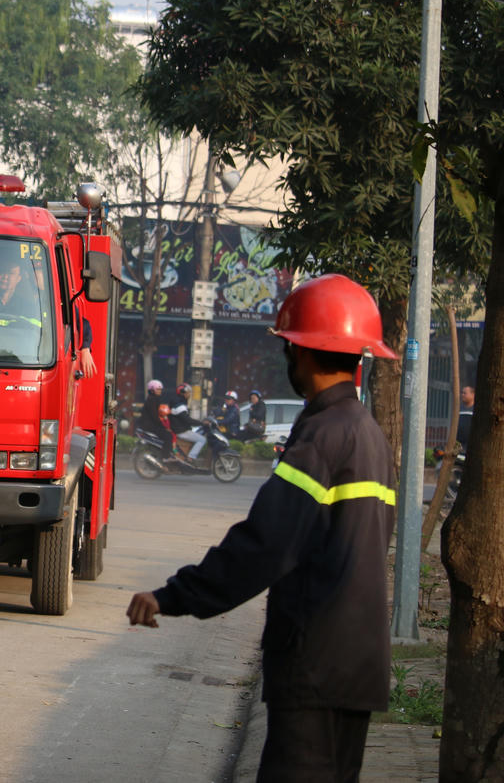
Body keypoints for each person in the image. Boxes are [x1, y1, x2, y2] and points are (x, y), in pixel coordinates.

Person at [127, 273, 398, 782]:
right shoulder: (370, 436)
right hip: (356, 665)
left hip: (314, 664)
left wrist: (174, 595)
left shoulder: (321, 437)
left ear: (302, 353)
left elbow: (264, 544)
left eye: (289, 347)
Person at [167, 383, 205, 462]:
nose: (189, 394)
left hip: (180, 428)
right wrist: (202, 423)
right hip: (181, 430)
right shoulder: (179, 405)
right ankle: (191, 457)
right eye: (188, 392)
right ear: (183, 393)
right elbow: (188, 420)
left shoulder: (179, 402)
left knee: (199, 434)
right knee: (202, 439)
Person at [137, 379, 173, 448]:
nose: (160, 391)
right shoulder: (152, 400)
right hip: (150, 426)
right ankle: (166, 456)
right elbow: (155, 416)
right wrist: (164, 427)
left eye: (160, 389)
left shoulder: (153, 399)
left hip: (150, 425)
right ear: (152, 390)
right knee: (168, 436)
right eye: (158, 389)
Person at [457, 385, 475, 452]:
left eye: (465, 393)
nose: (462, 395)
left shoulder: (477, 409)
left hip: (472, 444)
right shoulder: (458, 409)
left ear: (473, 395)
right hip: (459, 445)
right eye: (462, 393)